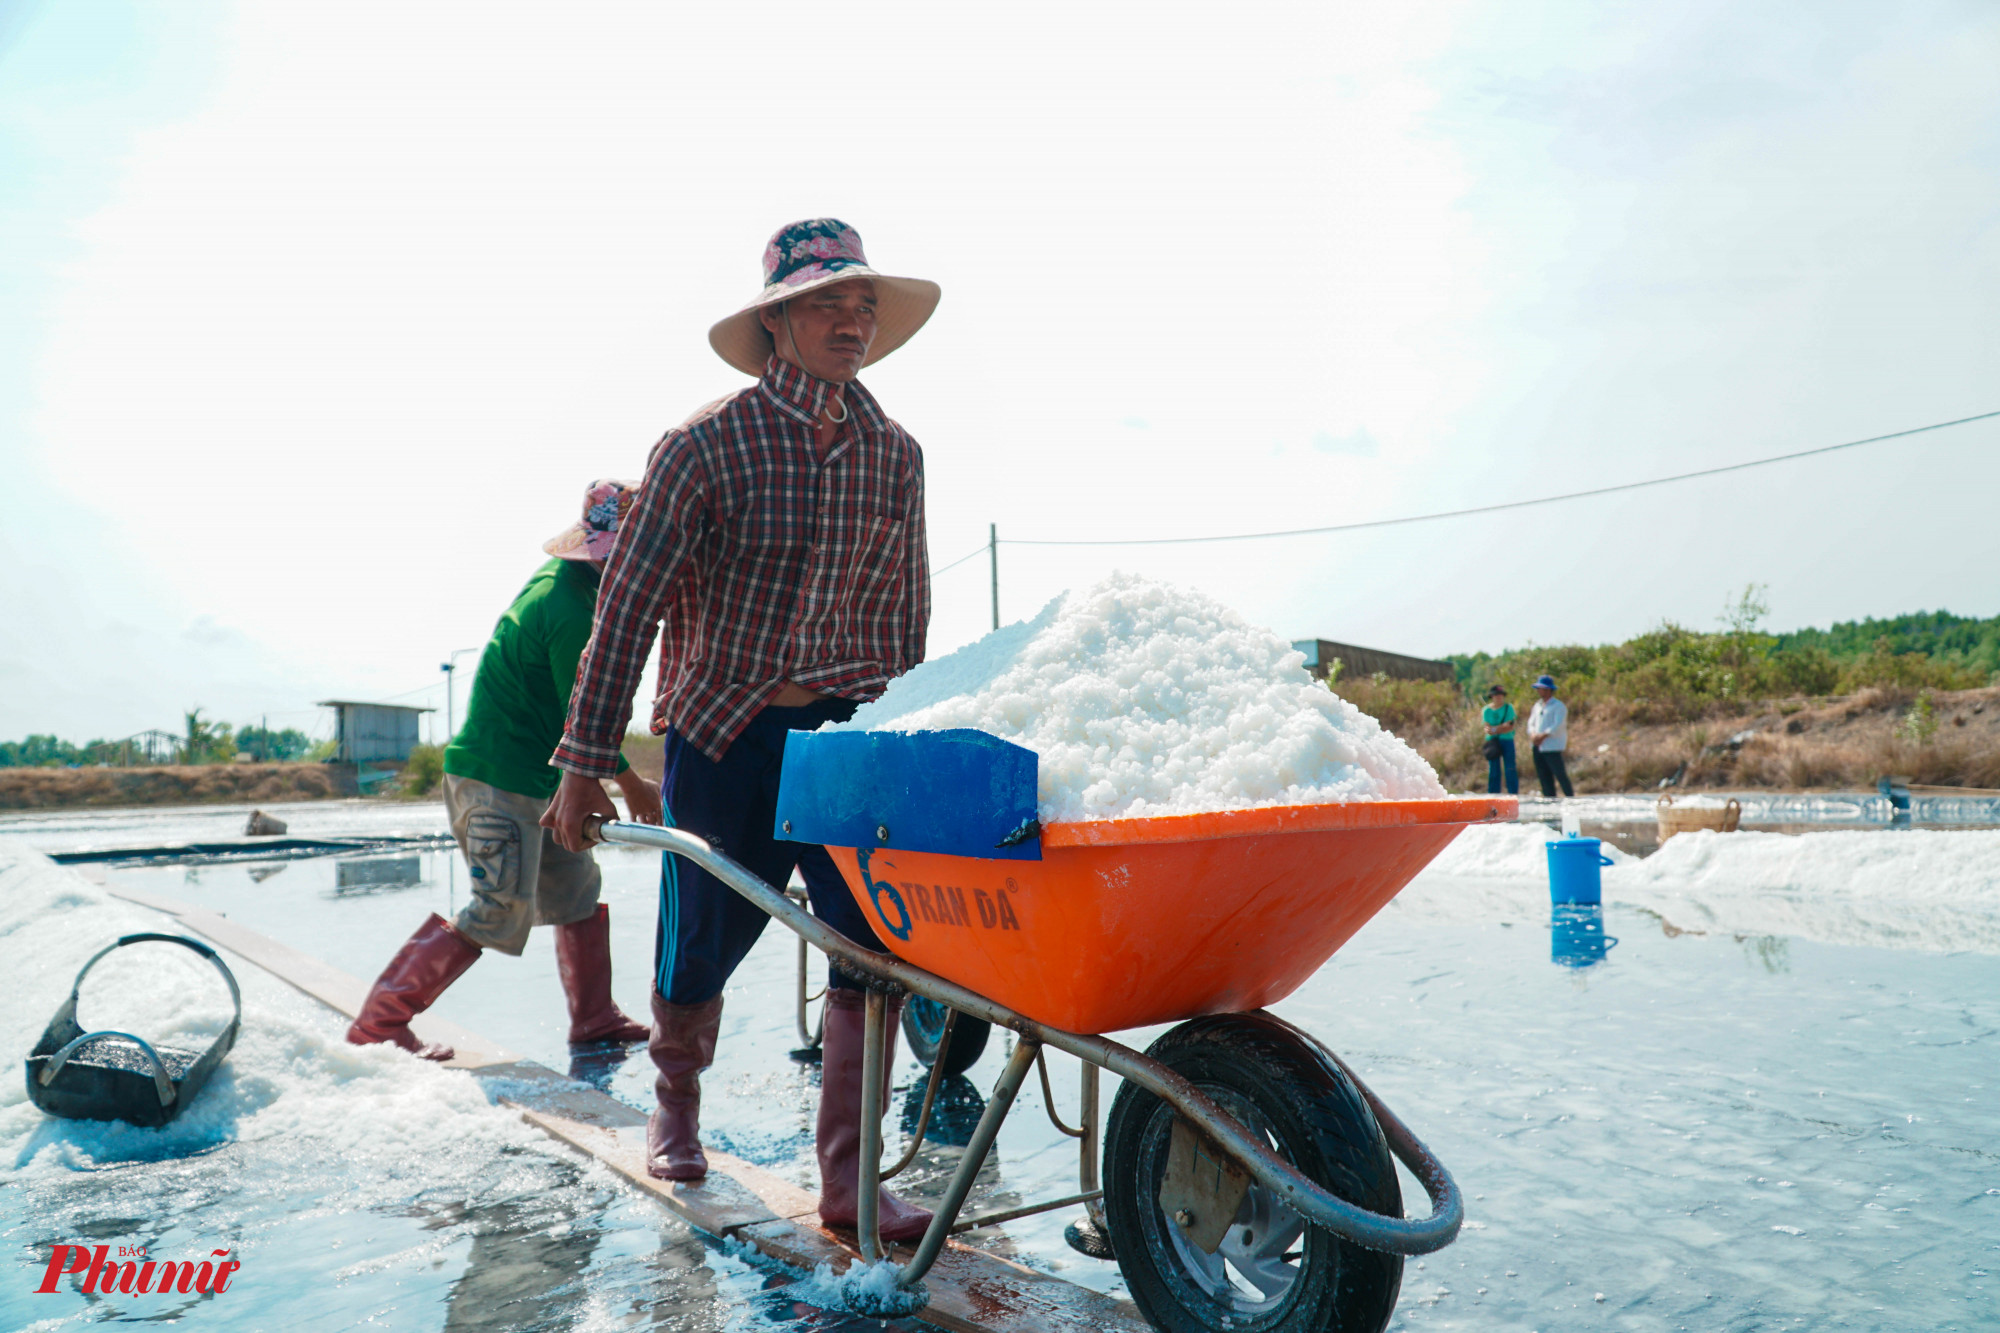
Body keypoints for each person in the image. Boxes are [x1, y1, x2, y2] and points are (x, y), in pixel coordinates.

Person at [541, 219, 939, 1241]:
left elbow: (904, 613)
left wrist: (907, 737)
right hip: (723, 732)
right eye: (825, 303)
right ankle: (675, 1107)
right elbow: (625, 611)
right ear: (774, 320)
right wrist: (585, 764)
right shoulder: (702, 446)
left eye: (862, 306)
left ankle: (848, 1180)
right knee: (700, 939)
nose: (851, 320)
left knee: (874, 940)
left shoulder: (895, 455)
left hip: (843, 740)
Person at [345, 481, 662, 1061]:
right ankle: (381, 1023)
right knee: (498, 904)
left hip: (545, 778)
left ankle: (594, 1017)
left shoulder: (566, 583)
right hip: (498, 779)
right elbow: (584, 711)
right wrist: (633, 782)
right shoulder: (569, 610)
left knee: (576, 891)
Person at [1526, 674, 1575, 798]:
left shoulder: (1558, 706)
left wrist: (1544, 735)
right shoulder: (1537, 706)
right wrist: (1533, 734)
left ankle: (1570, 796)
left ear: (1548, 690)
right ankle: (1549, 798)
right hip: (1537, 746)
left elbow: (1557, 725)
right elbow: (1531, 723)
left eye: (1540, 688)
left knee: (1559, 773)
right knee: (1543, 775)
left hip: (1552, 746)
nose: (1538, 691)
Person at [1481, 684, 1518, 795]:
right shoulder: (1486, 710)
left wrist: (1495, 729)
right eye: (1496, 695)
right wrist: (1500, 728)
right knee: (1494, 769)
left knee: (1510, 768)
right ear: (1492, 696)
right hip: (1492, 742)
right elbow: (1487, 728)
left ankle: (1513, 793)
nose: (1499, 697)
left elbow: (1510, 726)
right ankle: (1493, 793)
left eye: (1501, 695)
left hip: (1507, 740)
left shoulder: (1508, 708)